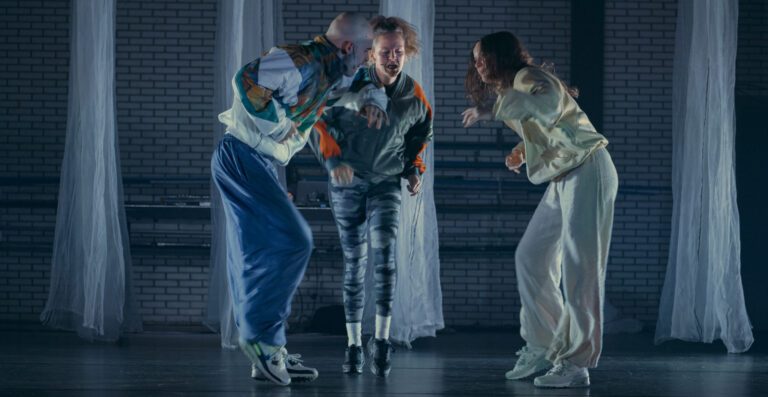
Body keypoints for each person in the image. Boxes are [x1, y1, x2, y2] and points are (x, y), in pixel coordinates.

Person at [211, 12, 389, 386]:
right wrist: (280, 123)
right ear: (348, 47)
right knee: (294, 241)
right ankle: (261, 343)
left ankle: (268, 350)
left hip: (252, 160)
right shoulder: (303, 60)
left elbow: (362, 82)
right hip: (242, 155)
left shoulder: (335, 70)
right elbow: (245, 79)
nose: (370, 58)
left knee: (257, 251)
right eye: (368, 50)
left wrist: (374, 102)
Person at [462, 31, 618, 388]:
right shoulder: (515, 87)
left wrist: (491, 111)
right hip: (565, 175)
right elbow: (548, 123)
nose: (478, 65)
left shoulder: (528, 78)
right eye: (475, 59)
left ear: (500, 56)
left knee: (580, 268)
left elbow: (548, 106)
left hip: (587, 169)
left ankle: (576, 363)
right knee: (531, 256)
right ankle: (544, 345)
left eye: (482, 57)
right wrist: (523, 147)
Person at [308, 16, 432, 377]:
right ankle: (352, 345)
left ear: (406, 52)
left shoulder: (414, 96)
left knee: (385, 260)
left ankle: (381, 341)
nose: (393, 57)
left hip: (386, 184)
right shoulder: (350, 85)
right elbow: (318, 121)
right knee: (355, 264)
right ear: (371, 54)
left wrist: (413, 170)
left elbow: (419, 137)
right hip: (347, 184)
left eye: (399, 51)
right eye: (385, 51)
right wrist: (333, 162)